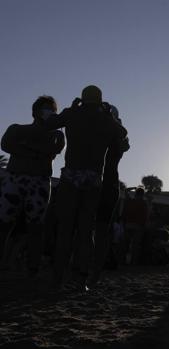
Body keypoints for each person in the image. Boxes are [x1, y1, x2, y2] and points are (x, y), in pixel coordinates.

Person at [43, 86, 127, 288]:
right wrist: (108, 114)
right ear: (100, 101)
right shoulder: (107, 121)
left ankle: (57, 278)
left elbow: (50, 123)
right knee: (85, 230)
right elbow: (122, 132)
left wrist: (69, 110)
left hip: (71, 174)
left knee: (65, 230)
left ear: (82, 99)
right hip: (93, 177)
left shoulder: (73, 113)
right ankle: (81, 279)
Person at [0, 96, 65, 275]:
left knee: (36, 226)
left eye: (52, 110)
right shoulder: (16, 129)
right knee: (4, 223)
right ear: (35, 111)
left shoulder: (57, 135)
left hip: (40, 182)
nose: (50, 113)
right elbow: (6, 144)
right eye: (46, 109)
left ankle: (32, 268)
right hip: (15, 179)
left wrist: (26, 148)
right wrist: (39, 152)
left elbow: (54, 152)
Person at [89, 104, 130, 284]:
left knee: (100, 229)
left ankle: (95, 272)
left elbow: (123, 144)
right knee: (85, 228)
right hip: (95, 182)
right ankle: (83, 268)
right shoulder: (94, 130)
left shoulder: (118, 134)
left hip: (107, 184)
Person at [122, 187, 149, 265]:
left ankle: (122, 260)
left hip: (128, 225)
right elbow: (145, 215)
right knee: (135, 245)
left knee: (125, 244)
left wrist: (133, 187)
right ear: (142, 194)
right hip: (138, 226)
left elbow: (126, 191)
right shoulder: (144, 203)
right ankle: (133, 262)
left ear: (136, 193)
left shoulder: (130, 201)